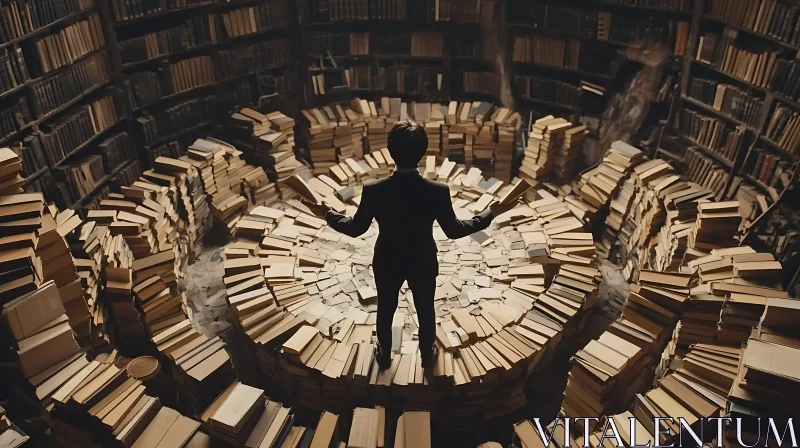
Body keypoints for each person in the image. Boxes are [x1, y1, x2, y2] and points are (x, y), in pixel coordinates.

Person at [305, 120, 519, 370]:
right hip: (423, 259)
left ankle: (384, 354)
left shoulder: (374, 190)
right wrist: (491, 211)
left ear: (390, 151)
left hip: (387, 259)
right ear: (422, 152)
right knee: (425, 309)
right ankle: (428, 355)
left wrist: (326, 213)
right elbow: (455, 230)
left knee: (385, 308)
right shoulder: (437, 191)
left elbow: (355, 228)